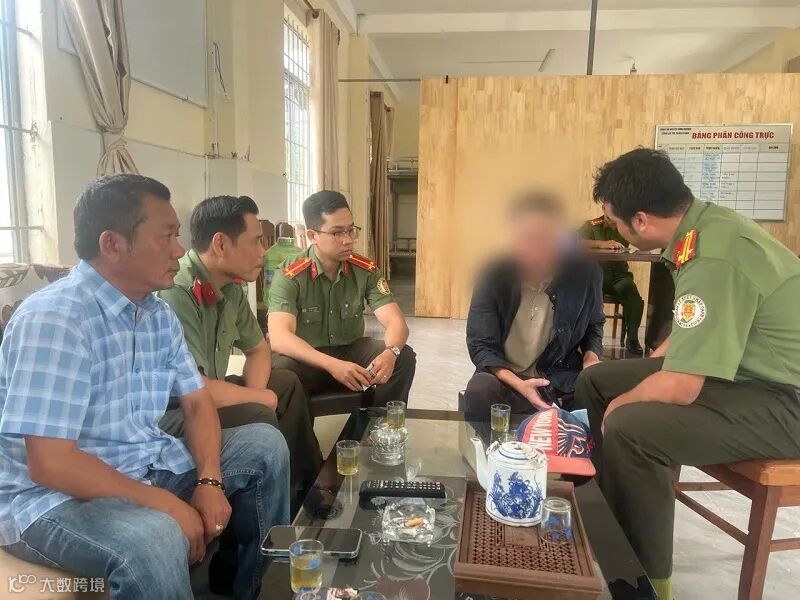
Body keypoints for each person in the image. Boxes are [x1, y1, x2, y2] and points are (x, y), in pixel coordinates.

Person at [0, 175, 289, 599]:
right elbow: (50, 464)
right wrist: (164, 503)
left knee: (264, 445)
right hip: (51, 499)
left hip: (142, 462)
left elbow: (196, 402)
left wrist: (209, 480)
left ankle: (255, 590)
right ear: (113, 244)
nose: (180, 250)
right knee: (155, 539)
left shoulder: (156, 314)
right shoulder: (56, 319)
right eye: (166, 236)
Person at [577, 148, 800, 600]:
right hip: (745, 378)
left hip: (785, 401)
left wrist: (624, 404)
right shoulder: (700, 229)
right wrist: (639, 376)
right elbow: (691, 328)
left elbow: (681, 386)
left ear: (641, 221)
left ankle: (643, 585)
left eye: (615, 223)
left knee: (632, 426)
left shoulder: (713, 255)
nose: (614, 232)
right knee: (595, 382)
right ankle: (605, 526)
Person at [156, 195, 322, 496]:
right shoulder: (178, 292)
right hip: (175, 411)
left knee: (286, 383)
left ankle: (308, 484)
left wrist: (256, 394)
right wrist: (257, 401)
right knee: (259, 417)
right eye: (256, 241)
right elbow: (194, 390)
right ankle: (280, 496)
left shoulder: (229, 285)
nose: (264, 251)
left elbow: (257, 349)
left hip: (208, 392)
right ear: (220, 244)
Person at [463, 191, 605, 416]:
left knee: (601, 396)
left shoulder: (586, 276)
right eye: (527, 238)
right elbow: (481, 345)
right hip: (506, 378)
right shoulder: (492, 276)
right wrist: (520, 385)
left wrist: (591, 358)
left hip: (558, 378)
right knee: (480, 390)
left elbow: (594, 324)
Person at [268, 190, 416, 405]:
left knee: (403, 356)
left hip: (350, 353)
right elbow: (280, 337)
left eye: (351, 230)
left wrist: (390, 353)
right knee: (280, 371)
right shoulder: (290, 275)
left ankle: (376, 422)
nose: (348, 240)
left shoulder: (365, 270)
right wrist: (332, 365)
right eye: (337, 233)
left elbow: (396, 322)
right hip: (307, 360)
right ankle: (301, 428)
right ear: (312, 236)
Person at [579, 214, 645, 354]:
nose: (614, 222)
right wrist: (601, 244)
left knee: (634, 298)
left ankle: (632, 339)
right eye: (610, 218)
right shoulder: (592, 225)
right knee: (590, 299)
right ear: (604, 209)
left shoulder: (626, 225)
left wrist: (643, 246)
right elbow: (576, 242)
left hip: (619, 276)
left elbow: (641, 239)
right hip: (596, 276)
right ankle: (589, 343)